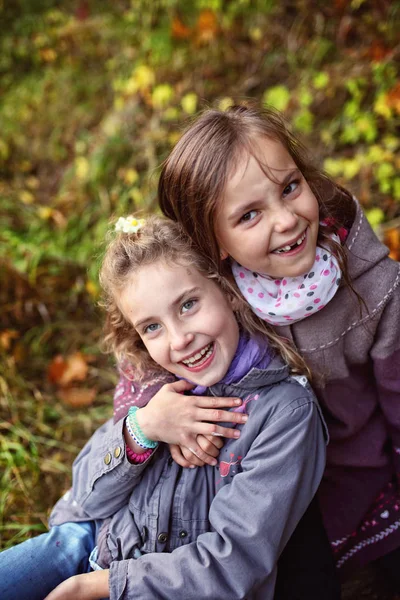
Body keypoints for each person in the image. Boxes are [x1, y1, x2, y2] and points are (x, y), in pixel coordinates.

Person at [0, 216, 327, 600]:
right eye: (152, 327)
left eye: (188, 304)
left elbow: (232, 562)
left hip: (148, 586)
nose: (179, 339)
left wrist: (97, 586)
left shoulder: (284, 413)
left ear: (228, 290)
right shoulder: (152, 384)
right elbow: (88, 499)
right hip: (83, 544)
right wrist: (143, 428)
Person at [156, 102, 400, 588]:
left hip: (361, 486)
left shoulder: (376, 292)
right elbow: (146, 354)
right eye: (249, 215)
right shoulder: (209, 292)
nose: (286, 220)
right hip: (257, 499)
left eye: (290, 188)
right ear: (214, 240)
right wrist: (154, 415)